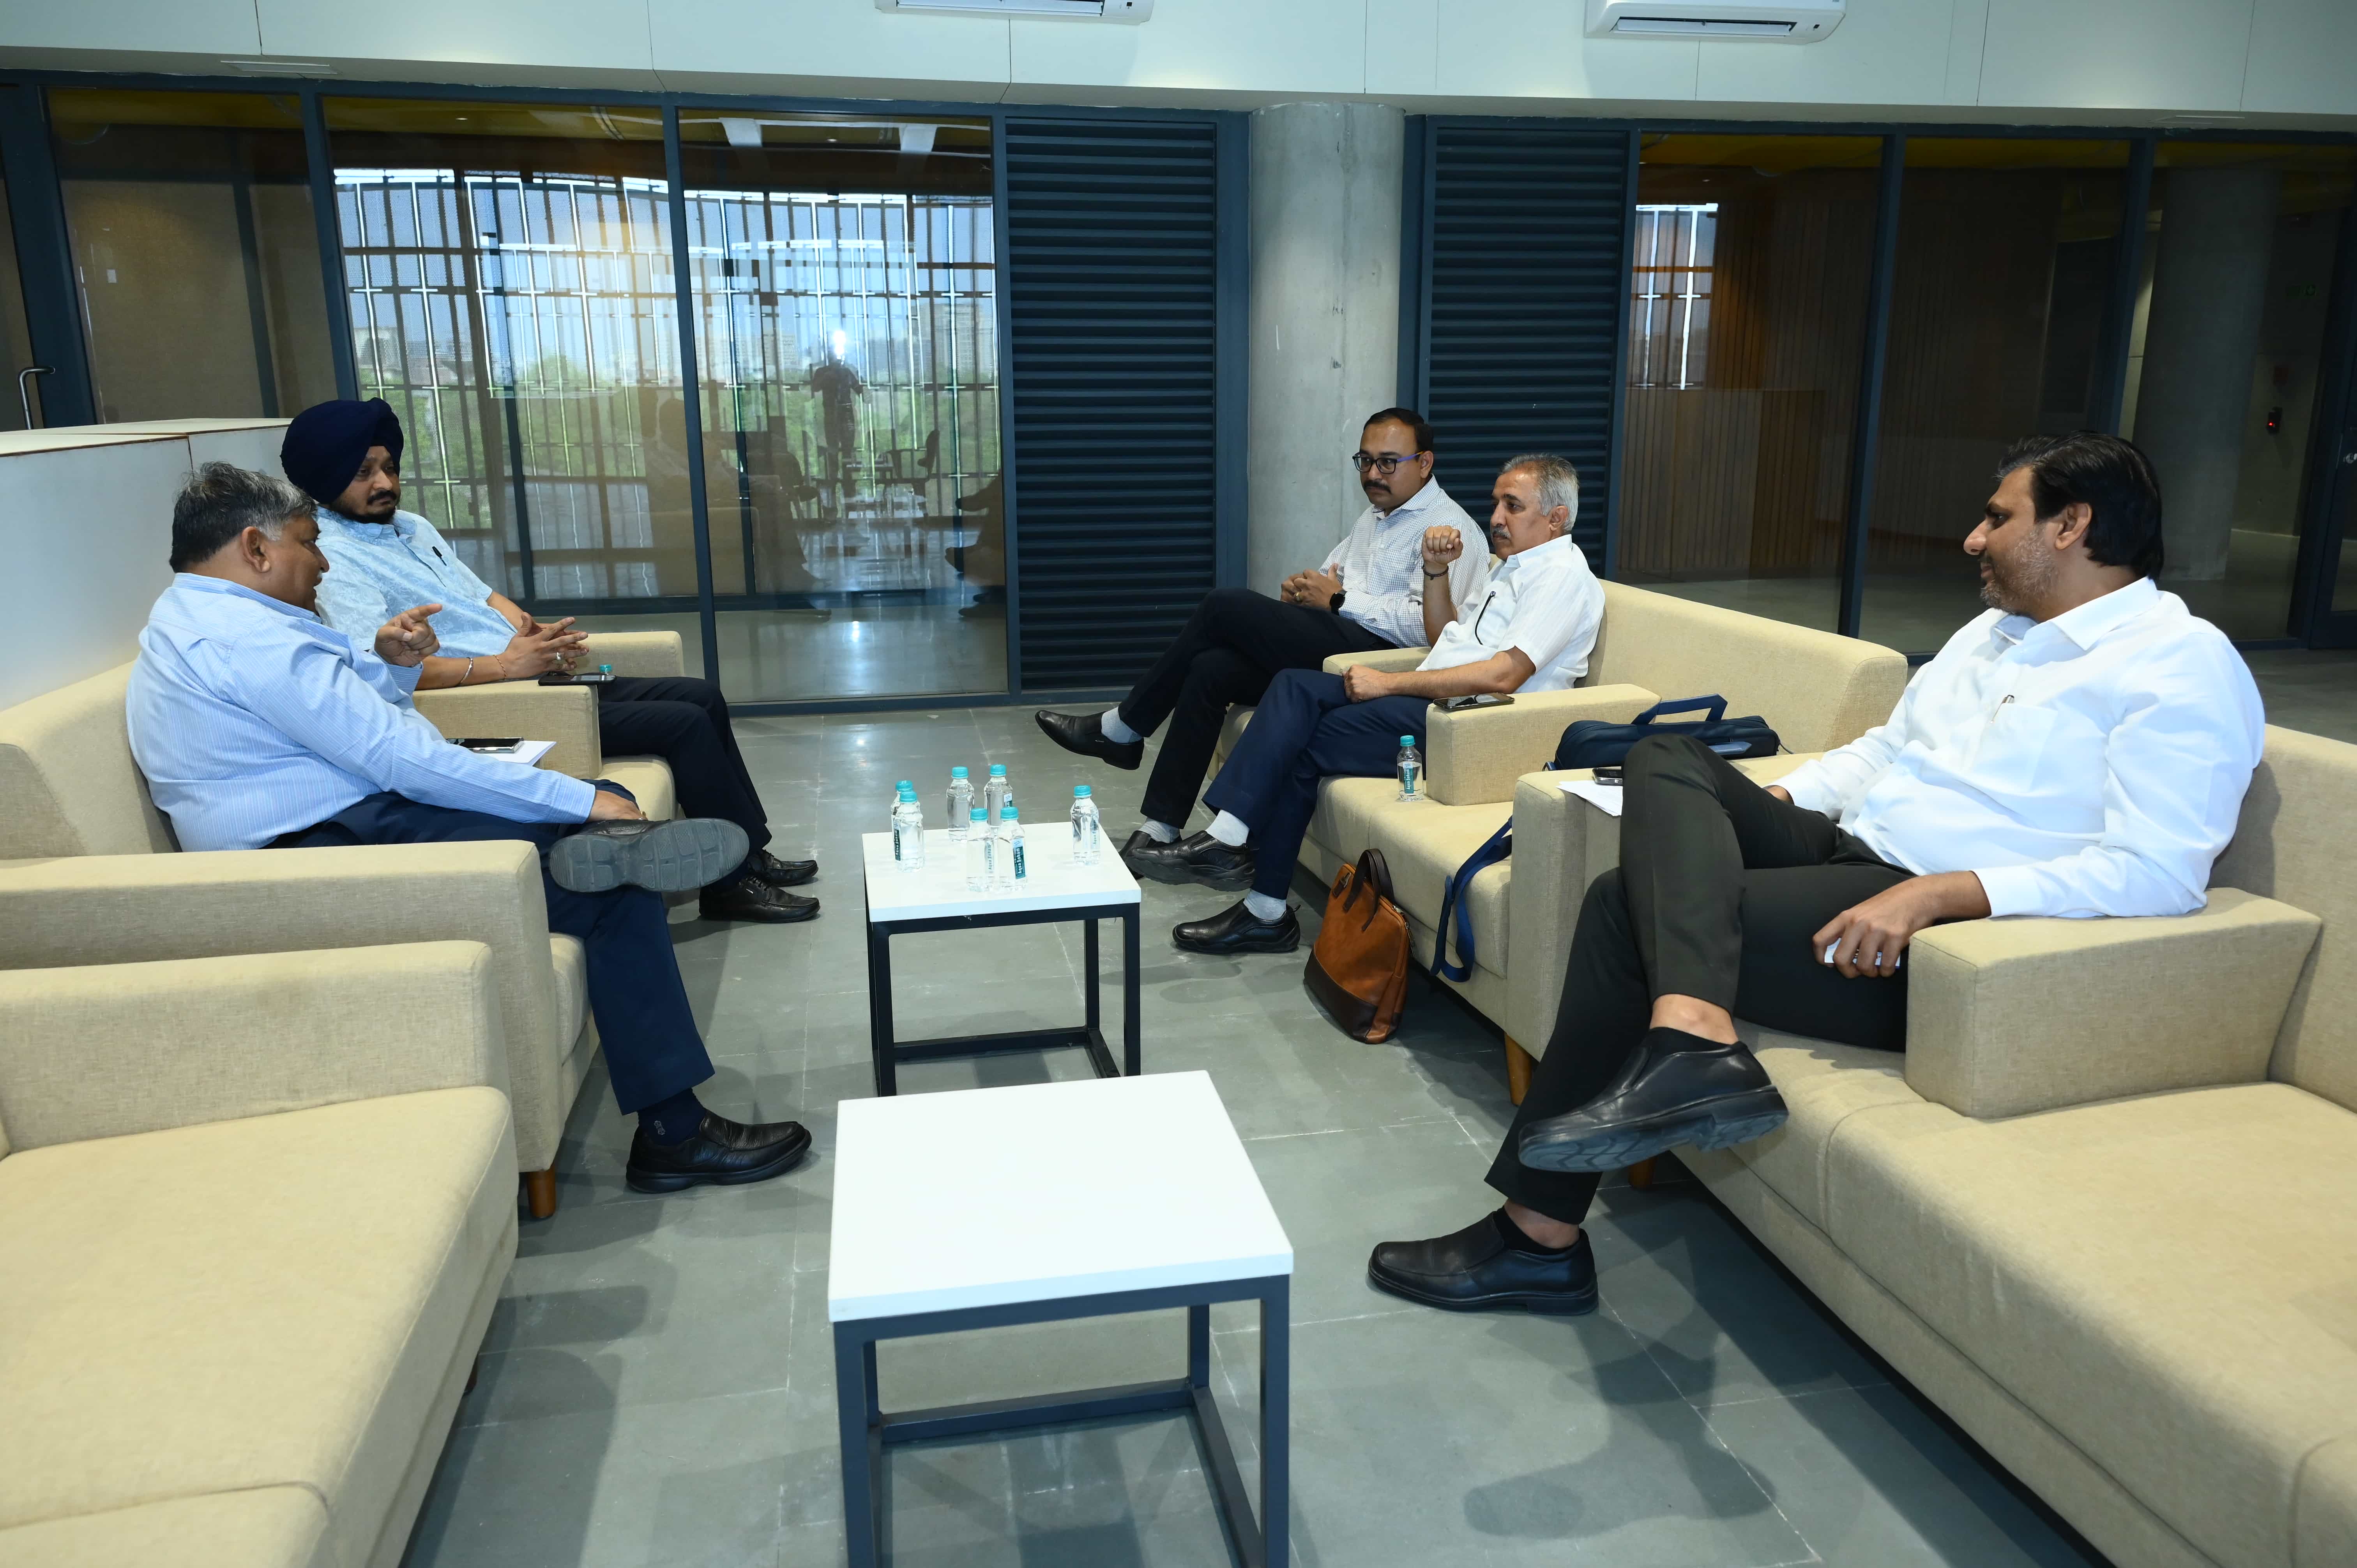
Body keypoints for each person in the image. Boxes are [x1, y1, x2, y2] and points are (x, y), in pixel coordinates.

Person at [1367, 431, 2265, 1317]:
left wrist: (1944, 891)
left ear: (2072, 525)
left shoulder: (2179, 663)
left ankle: (1541, 1234)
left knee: (1618, 904)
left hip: (1936, 932)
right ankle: (1690, 1040)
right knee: (1667, 758)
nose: (1973, 538)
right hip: (1849, 851)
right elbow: (1885, 751)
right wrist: (1762, 805)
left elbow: (2159, 871)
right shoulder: (1994, 634)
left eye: (1999, 518)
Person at [125, 463, 810, 1195]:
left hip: (353, 818)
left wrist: (393, 665)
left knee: (602, 815)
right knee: (611, 879)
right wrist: (575, 801)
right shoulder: (250, 641)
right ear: (256, 548)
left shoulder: (208, 617)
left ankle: (626, 850)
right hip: (317, 851)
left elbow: (354, 716)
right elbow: (398, 759)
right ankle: (675, 1134)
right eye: (308, 542)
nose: (321, 562)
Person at [279, 398, 817, 926]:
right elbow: (380, 669)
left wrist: (537, 636)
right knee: (684, 724)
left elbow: (487, 598)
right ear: (325, 478)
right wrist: (507, 665)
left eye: (390, 468)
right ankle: (729, 885)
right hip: (490, 699)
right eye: (364, 473)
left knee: (702, 695)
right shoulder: (334, 558)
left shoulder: (414, 526)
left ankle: (749, 853)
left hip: (532, 676)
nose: (385, 483)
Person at [1156, 454, 1603, 955]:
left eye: (1512, 506)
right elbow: (1445, 637)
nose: (1496, 517)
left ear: (1556, 518)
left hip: (1473, 724)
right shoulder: (1512, 566)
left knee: (1301, 740)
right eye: (1496, 503)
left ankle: (1258, 899)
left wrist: (1389, 684)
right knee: (1293, 686)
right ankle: (1231, 843)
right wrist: (1436, 571)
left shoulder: (1562, 575)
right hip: (1438, 698)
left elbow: (1506, 675)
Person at [1037, 408, 1489, 874]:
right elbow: (1329, 579)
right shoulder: (1375, 517)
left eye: (1389, 462)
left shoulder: (1449, 529)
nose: (1373, 474)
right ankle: (1161, 826)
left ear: (1425, 463)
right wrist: (1302, 594)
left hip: (1385, 662)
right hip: (1340, 638)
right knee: (1211, 669)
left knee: (1223, 605)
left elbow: (1433, 631)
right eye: (1366, 461)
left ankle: (1124, 729)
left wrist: (1339, 601)